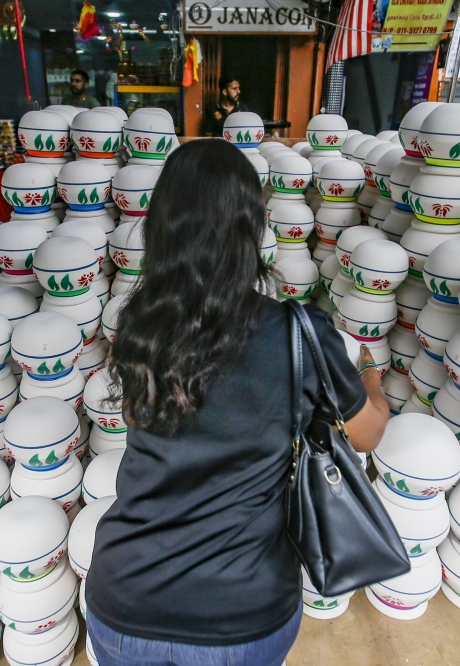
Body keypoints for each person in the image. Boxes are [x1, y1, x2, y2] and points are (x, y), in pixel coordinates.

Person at [85, 139, 390, 666]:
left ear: (163, 226)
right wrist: (370, 376)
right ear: (253, 228)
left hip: (125, 600)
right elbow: (367, 434)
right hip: (241, 611)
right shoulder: (298, 333)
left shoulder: (138, 325)